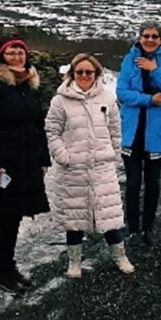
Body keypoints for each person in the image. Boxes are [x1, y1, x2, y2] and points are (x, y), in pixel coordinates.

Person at [45, 54, 135, 279]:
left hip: (102, 167)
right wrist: (63, 156)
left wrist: (114, 155)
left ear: (97, 74)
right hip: (73, 168)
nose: (84, 76)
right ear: (72, 74)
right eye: (80, 72)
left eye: (89, 72)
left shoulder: (107, 97)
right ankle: (74, 262)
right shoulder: (60, 100)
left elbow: (115, 129)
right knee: (74, 218)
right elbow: (52, 131)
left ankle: (120, 256)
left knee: (110, 215)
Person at [0, 35, 51, 293]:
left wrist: (43, 158)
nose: (17, 57)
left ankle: (10, 266)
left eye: (20, 53)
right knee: (1, 217)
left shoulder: (29, 85)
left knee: (15, 216)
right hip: (3, 164)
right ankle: (2, 271)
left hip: (27, 161)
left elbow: (38, 124)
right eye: (11, 53)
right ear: (0, 56)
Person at [116, 20, 161, 247]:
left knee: (153, 183)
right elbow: (122, 93)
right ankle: (133, 229)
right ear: (140, 37)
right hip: (133, 131)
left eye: (155, 36)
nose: (150, 40)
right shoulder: (128, 60)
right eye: (146, 36)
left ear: (160, 39)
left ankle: (148, 228)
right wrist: (149, 100)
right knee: (133, 183)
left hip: (157, 134)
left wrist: (155, 72)